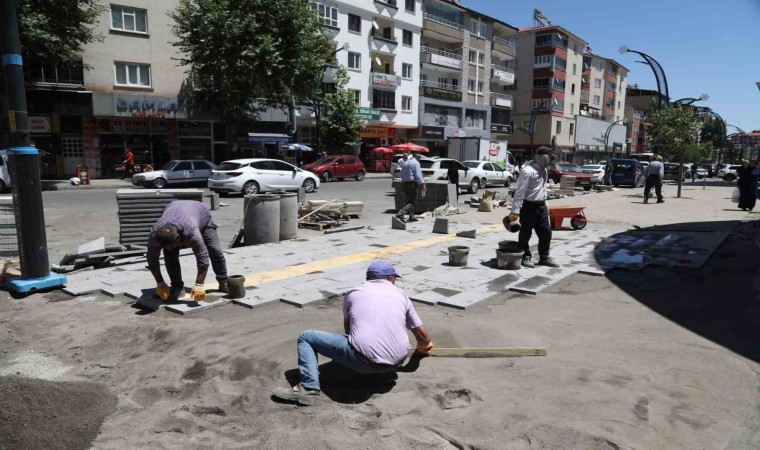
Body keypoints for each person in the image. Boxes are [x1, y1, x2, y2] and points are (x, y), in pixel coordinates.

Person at [272, 261, 434, 406]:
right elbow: (423, 337)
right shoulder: (401, 295)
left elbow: (349, 332)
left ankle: (309, 388)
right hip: (396, 362)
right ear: (390, 278)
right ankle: (380, 374)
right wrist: (423, 348)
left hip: (364, 362)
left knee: (306, 337)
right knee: (372, 344)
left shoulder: (353, 293)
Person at [147, 200, 228, 302]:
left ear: (178, 237)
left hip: (201, 215)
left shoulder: (191, 231)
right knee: (170, 256)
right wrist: (160, 283)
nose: (169, 248)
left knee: (215, 250)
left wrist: (199, 284)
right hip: (174, 209)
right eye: (165, 246)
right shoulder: (155, 233)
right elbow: (152, 260)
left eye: (171, 245)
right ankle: (177, 287)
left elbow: (202, 257)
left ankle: (223, 281)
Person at [508, 147, 559, 269]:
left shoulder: (544, 171)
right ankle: (525, 256)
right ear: (542, 157)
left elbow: (542, 188)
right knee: (525, 234)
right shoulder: (528, 171)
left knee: (546, 233)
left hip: (541, 207)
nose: (551, 161)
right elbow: (520, 192)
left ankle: (544, 257)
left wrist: (545, 202)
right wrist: (515, 210)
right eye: (550, 158)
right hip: (528, 206)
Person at [395, 154, 426, 222]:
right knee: (412, 201)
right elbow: (418, 174)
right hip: (411, 183)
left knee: (407, 201)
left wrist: (403, 184)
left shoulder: (405, 163)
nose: (420, 158)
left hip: (404, 183)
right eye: (420, 157)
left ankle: (411, 217)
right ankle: (401, 213)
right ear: (417, 157)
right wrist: (423, 184)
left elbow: (402, 174)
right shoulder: (416, 163)